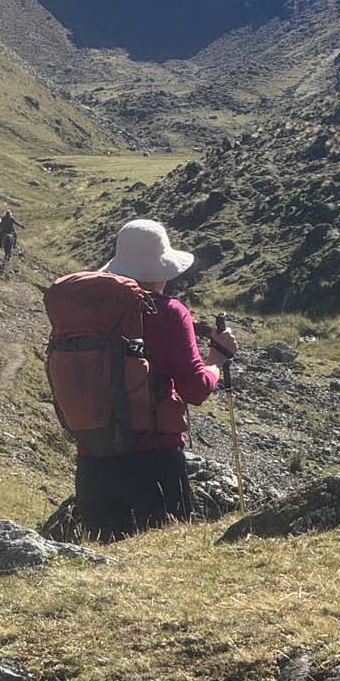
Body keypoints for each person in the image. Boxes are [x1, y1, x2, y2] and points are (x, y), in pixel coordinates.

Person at [73, 218, 237, 541]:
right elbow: (195, 388)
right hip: (155, 460)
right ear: (161, 269)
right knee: (170, 563)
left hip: (94, 461)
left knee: (103, 567)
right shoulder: (171, 313)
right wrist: (217, 360)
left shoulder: (88, 314)